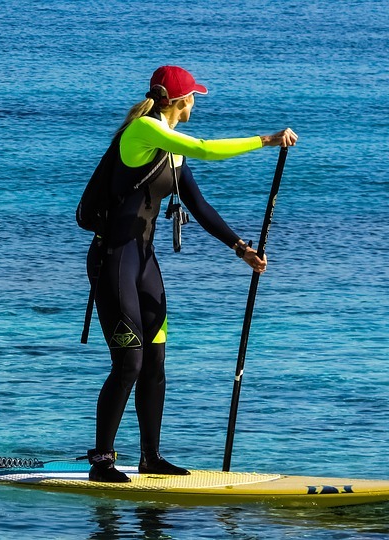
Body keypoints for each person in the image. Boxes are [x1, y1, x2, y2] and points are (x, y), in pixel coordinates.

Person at [86, 65, 297, 482]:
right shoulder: (145, 130)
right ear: (179, 101)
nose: (196, 102)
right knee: (129, 362)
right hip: (113, 262)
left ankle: (150, 457)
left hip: (144, 263)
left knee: (156, 362)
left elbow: (198, 206)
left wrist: (241, 248)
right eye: (194, 96)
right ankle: (102, 460)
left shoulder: (172, 148)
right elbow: (205, 148)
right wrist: (267, 140)